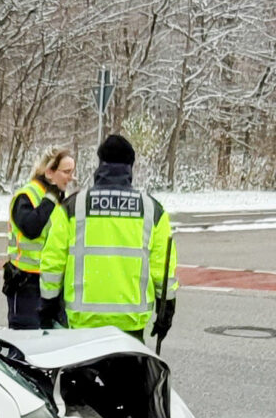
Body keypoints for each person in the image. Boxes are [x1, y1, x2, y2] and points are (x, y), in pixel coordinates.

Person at [39, 134, 177, 345]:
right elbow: (163, 268)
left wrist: (47, 305)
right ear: (131, 167)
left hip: (83, 322)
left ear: (100, 164)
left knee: (80, 379)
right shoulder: (152, 210)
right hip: (130, 323)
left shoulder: (74, 206)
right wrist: (166, 310)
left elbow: (53, 260)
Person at [2, 148, 76, 329]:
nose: (71, 178)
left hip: (51, 284)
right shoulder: (27, 195)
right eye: (66, 172)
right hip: (26, 283)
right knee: (26, 344)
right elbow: (31, 228)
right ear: (49, 172)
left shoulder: (59, 201)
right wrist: (49, 199)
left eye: (72, 173)